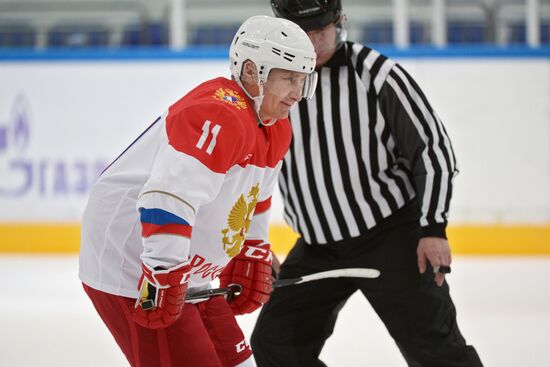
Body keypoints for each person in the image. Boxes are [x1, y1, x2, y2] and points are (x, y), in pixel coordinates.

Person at [251, 1, 484, 366]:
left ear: (340, 22)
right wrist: (255, 245)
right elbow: (247, 168)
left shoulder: (377, 74)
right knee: (274, 345)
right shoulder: (267, 84)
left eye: (321, 31)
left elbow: (432, 150)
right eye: (303, 33)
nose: (312, 43)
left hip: (393, 238)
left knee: (439, 353)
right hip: (318, 247)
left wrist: (433, 227)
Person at [78, 15, 317, 367]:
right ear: (252, 72)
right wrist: (162, 272)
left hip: (187, 271)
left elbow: (255, 200)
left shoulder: (275, 128)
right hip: (134, 267)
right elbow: (168, 198)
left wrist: (252, 250)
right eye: (288, 78)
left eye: (302, 80)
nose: (298, 93)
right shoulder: (219, 114)